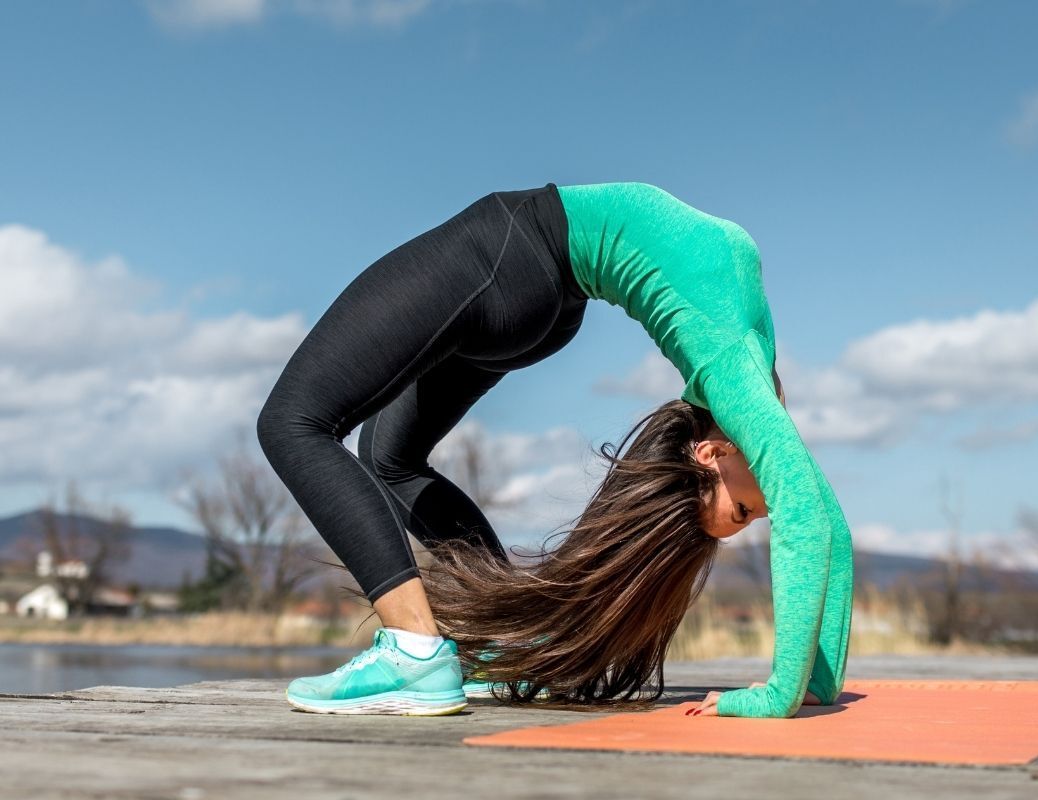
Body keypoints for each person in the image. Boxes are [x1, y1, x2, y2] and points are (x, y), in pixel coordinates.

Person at [256, 181, 854, 719]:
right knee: (389, 459)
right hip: (542, 294)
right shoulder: (742, 387)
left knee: (293, 423)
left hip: (512, 257)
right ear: (712, 453)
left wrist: (782, 691)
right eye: (746, 512)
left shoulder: (735, 381)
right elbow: (824, 522)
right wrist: (814, 686)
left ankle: (414, 648)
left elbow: (812, 516)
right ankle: (501, 648)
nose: (764, 508)